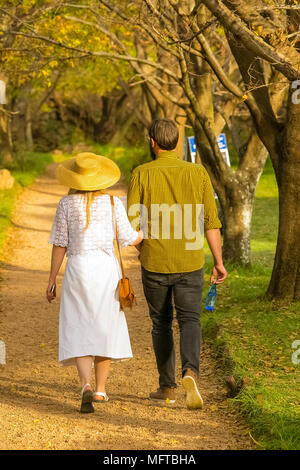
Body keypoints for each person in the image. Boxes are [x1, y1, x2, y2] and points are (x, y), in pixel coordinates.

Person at [127, 119, 227, 410]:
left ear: (152, 142)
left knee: (160, 323)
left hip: (155, 262)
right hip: (191, 261)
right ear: (177, 142)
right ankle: (191, 372)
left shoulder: (141, 173)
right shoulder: (198, 173)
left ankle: (167, 387)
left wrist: (143, 245)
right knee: (190, 320)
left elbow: (132, 226)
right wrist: (218, 262)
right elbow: (211, 223)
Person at [46, 152, 143, 413]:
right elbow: (129, 238)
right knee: (104, 324)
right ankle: (100, 390)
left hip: (77, 268)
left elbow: (60, 244)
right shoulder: (113, 203)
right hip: (105, 270)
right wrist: (143, 233)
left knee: (79, 324)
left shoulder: (66, 204)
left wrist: (52, 278)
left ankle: (85, 384)